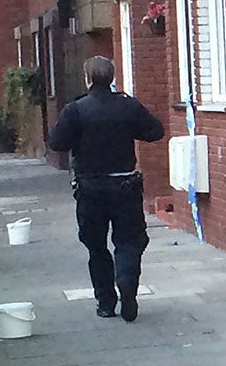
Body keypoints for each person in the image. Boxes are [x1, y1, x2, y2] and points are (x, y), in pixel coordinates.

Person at [45, 55, 166, 322]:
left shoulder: (76, 110)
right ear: (112, 78)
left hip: (90, 188)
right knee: (129, 240)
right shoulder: (128, 106)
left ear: (88, 79)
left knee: (96, 245)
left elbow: (56, 142)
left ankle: (105, 302)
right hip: (125, 185)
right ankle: (126, 281)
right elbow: (156, 131)